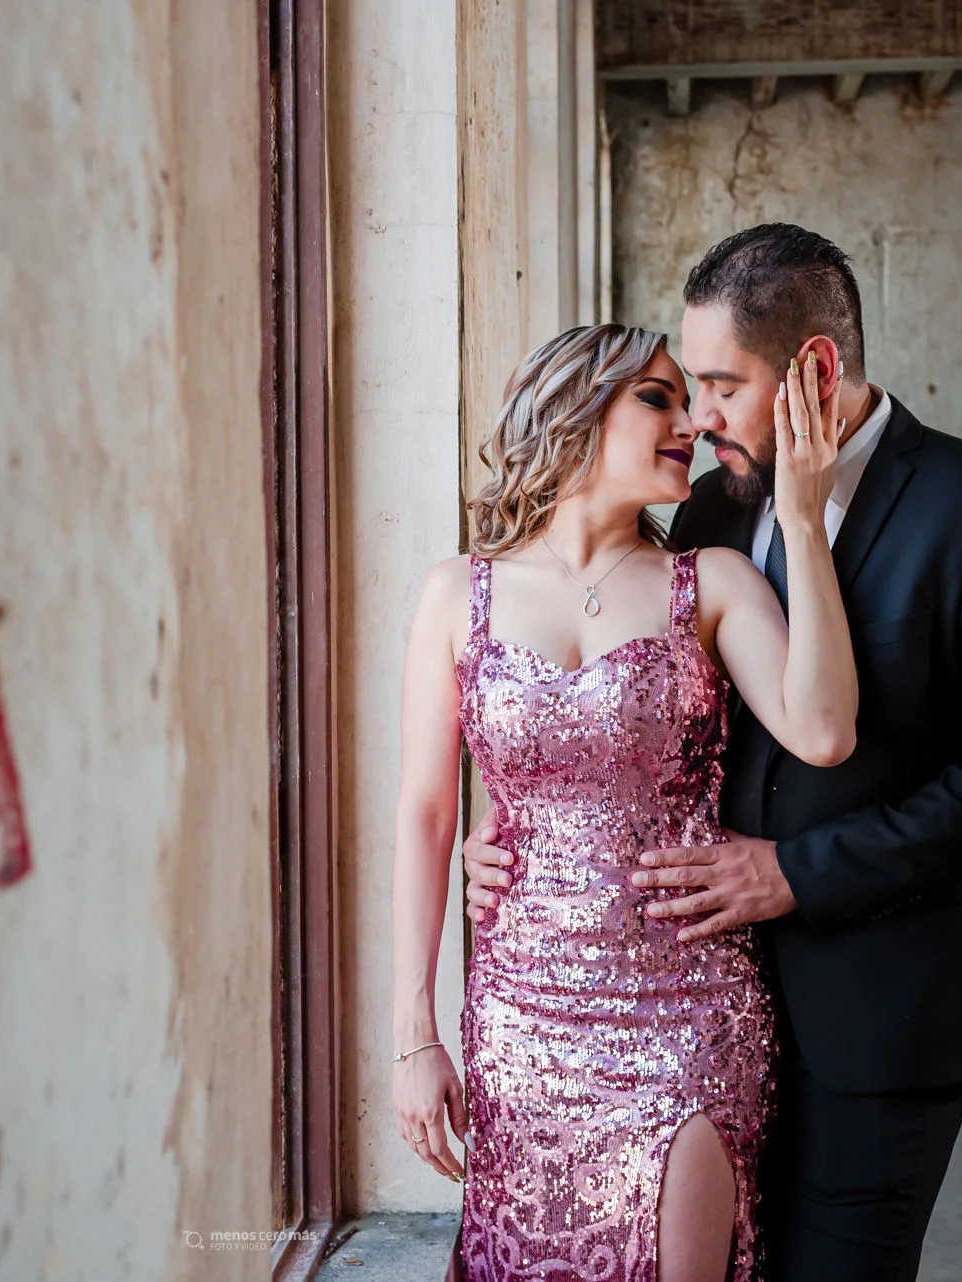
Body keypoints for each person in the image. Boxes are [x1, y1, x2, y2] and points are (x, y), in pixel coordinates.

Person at [462, 224, 962, 1281]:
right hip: (706, 1001)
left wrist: (792, 871)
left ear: (813, 369)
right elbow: (640, 694)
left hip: (886, 1001)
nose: (699, 418)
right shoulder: (714, 502)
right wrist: (520, 810)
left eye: (718, 384)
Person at [391, 321, 855, 1282]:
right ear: (572, 410)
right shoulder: (455, 595)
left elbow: (823, 731)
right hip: (520, 1016)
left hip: (688, 1006)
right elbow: (428, 815)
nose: (690, 420)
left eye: (690, 399)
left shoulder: (710, 583)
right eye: (658, 398)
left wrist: (803, 522)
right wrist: (414, 1037)